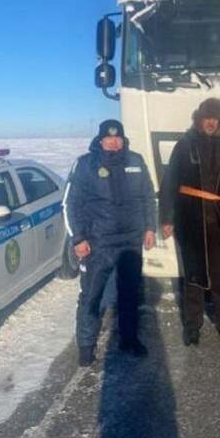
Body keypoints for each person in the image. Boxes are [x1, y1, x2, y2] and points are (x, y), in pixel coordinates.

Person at [160, 98, 220, 347]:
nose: (211, 122)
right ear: (199, 119)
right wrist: (167, 218)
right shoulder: (184, 144)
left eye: (216, 118)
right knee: (194, 277)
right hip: (190, 220)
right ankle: (192, 327)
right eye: (207, 117)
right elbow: (169, 183)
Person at [64, 119, 158, 367]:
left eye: (118, 138)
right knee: (91, 297)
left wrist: (150, 228)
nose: (114, 141)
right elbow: (71, 204)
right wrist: (79, 238)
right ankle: (86, 347)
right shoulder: (85, 165)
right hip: (98, 243)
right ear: (100, 140)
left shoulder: (135, 161)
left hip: (130, 242)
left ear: (123, 139)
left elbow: (148, 196)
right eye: (109, 137)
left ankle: (129, 339)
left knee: (129, 295)